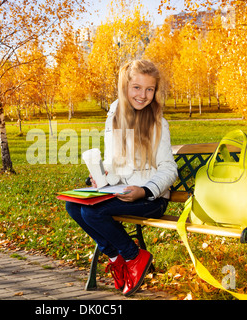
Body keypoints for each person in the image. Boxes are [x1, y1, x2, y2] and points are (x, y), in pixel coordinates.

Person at [65, 60, 178, 296]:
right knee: (74, 206)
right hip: (122, 191)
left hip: (151, 199)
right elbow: (113, 162)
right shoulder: (114, 118)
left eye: (150, 89)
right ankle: (117, 257)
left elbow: (169, 169)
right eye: (136, 87)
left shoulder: (158, 123)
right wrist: (101, 176)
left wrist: (145, 191)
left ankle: (134, 256)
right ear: (124, 88)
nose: (143, 95)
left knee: (92, 212)